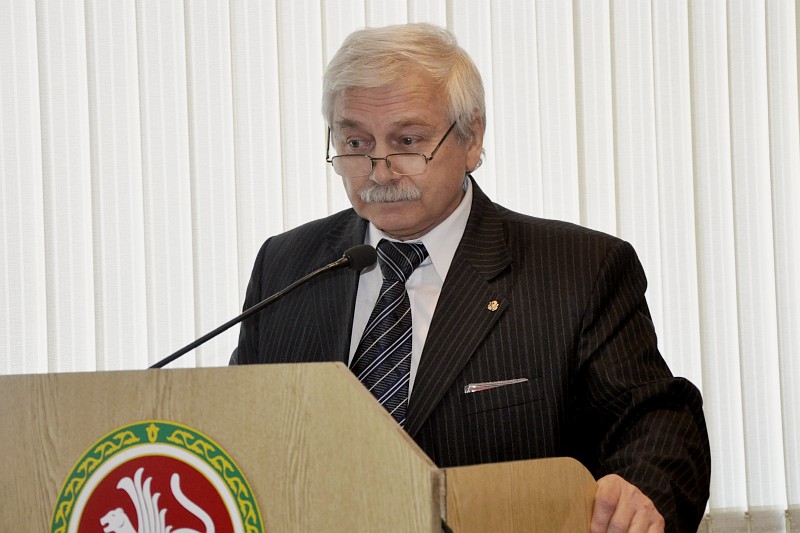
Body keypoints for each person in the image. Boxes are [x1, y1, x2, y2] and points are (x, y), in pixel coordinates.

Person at [232, 22, 710, 533]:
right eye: (356, 141)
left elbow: (655, 424)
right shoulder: (287, 264)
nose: (379, 170)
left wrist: (640, 493)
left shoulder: (579, 269)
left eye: (407, 140)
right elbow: (242, 428)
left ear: (472, 139)